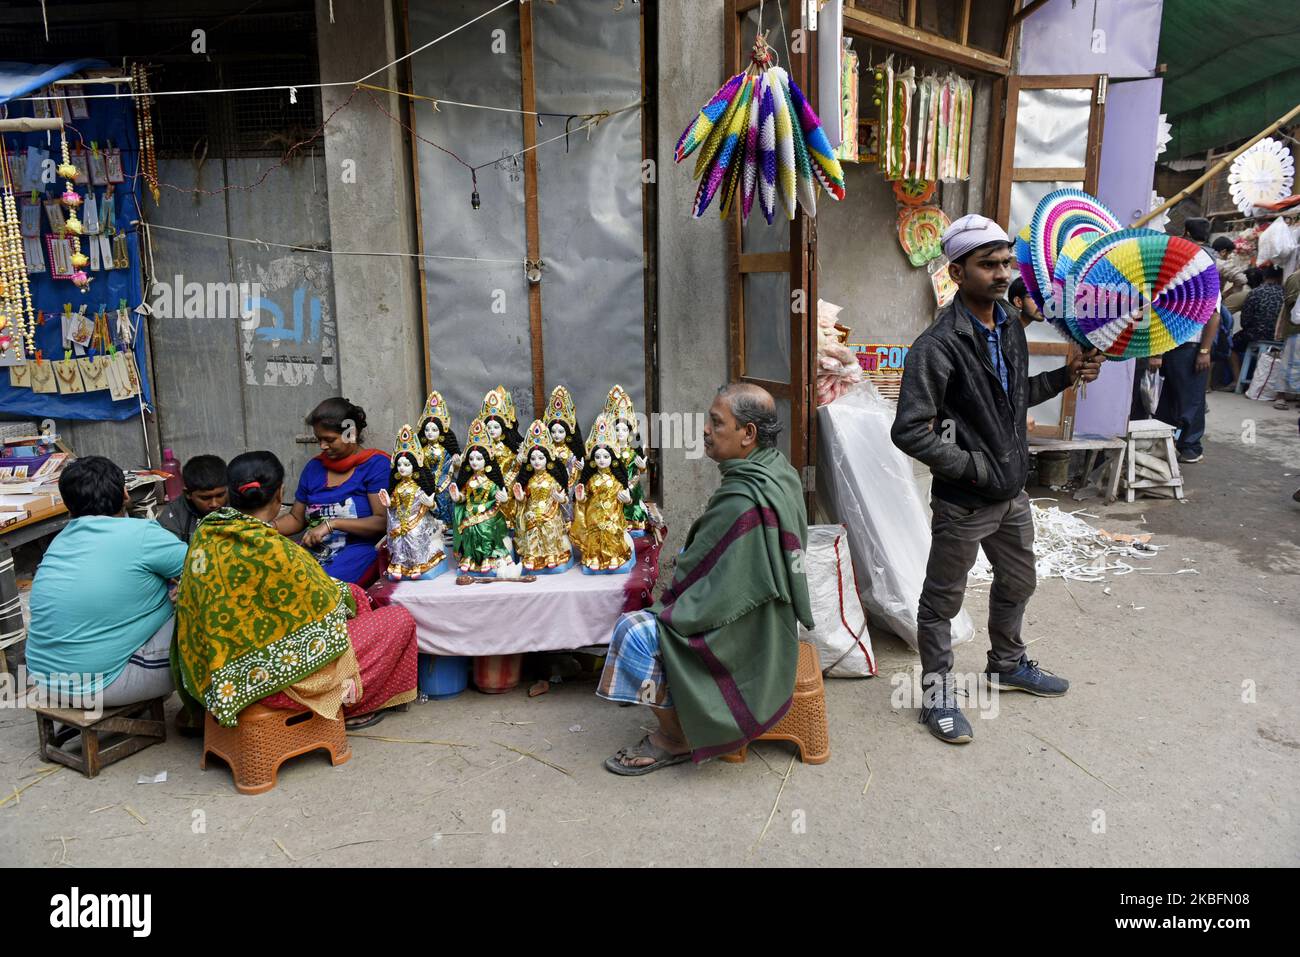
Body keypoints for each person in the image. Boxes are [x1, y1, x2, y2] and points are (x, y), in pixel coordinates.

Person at [890, 214, 1102, 745]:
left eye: (1007, 262)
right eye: (989, 265)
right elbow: (909, 430)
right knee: (942, 602)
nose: (1003, 273)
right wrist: (975, 467)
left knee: (1019, 581)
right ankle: (936, 696)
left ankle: (1006, 664)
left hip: (1012, 494)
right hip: (965, 501)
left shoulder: (1008, 325)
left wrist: (1066, 376)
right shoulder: (936, 346)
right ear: (957, 272)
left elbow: (1011, 397)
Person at [597, 383, 812, 774]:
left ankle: (675, 738)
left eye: (716, 423)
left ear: (748, 434)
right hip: (763, 616)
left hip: (746, 630)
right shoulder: (776, 470)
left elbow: (718, 592)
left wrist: (672, 610)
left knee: (633, 631)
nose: (705, 431)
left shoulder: (745, 498)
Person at [175, 451, 419, 731]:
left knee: (353, 594)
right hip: (271, 686)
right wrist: (353, 596)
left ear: (232, 494)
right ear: (280, 493)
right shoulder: (276, 550)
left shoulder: (206, 537)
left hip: (215, 680)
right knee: (397, 619)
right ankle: (350, 704)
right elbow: (328, 606)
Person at [26, 456, 188, 707]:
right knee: (208, 603)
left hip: (45, 680)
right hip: (100, 686)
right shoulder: (142, 534)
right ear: (125, 494)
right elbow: (207, 570)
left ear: (68, 506)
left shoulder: (60, 540)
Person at [274, 397, 388, 583]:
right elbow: (296, 518)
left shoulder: (376, 466)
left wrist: (331, 524)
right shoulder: (314, 468)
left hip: (356, 552)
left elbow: (381, 522)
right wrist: (268, 527)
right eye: (319, 439)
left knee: (318, 588)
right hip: (315, 552)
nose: (322, 446)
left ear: (351, 433)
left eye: (329, 440)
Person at [1150, 217, 1222, 464]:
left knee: (1190, 399)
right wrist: (1157, 351)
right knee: (1169, 397)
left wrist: (1204, 350)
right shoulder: (1171, 279)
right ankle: (1167, 443)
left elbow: (1214, 315)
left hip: (1191, 346)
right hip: (1171, 343)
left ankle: (1191, 446)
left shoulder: (1206, 276)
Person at [1230, 264, 1284, 383]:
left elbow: (1245, 320)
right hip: (1280, 338)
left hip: (1255, 335)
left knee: (1231, 344)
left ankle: (1237, 380)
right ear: (1281, 277)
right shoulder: (1285, 293)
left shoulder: (1255, 292)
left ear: (1264, 276)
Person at [156, 454, 227, 544]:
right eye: (205, 498)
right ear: (188, 493)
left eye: (220, 495)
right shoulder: (173, 515)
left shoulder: (238, 505)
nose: (214, 504)